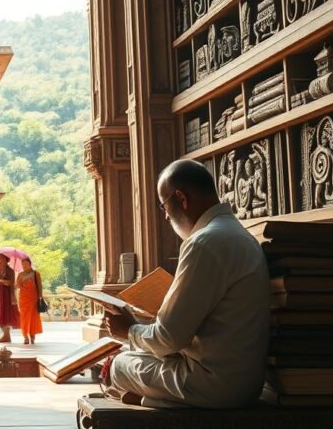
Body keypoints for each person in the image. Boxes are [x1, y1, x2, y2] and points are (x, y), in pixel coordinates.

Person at [102, 159, 269, 408]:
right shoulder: (236, 234)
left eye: (164, 207)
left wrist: (128, 330)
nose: (167, 218)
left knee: (119, 365)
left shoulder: (203, 242)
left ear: (181, 198)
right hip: (245, 381)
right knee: (138, 356)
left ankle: (151, 400)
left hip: (215, 385)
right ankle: (150, 399)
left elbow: (168, 339)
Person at [15, 258, 43, 345]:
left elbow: (39, 285)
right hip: (23, 299)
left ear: (30, 264)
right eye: (23, 264)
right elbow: (16, 285)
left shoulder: (35, 273)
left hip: (34, 298)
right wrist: (20, 285)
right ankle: (25, 337)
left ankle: (32, 336)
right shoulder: (20, 274)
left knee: (33, 318)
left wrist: (40, 296)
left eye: (26, 264)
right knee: (24, 317)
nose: (24, 266)